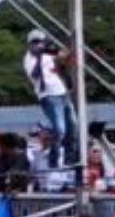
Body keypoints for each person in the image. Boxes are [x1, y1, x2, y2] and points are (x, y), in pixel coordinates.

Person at [23, 29, 76, 169]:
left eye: (40, 42)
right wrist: (41, 55)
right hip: (48, 95)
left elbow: (65, 59)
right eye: (35, 43)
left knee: (72, 125)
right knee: (59, 129)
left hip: (62, 92)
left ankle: (70, 158)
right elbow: (35, 75)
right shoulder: (29, 59)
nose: (38, 45)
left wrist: (70, 46)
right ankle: (54, 159)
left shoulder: (48, 55)